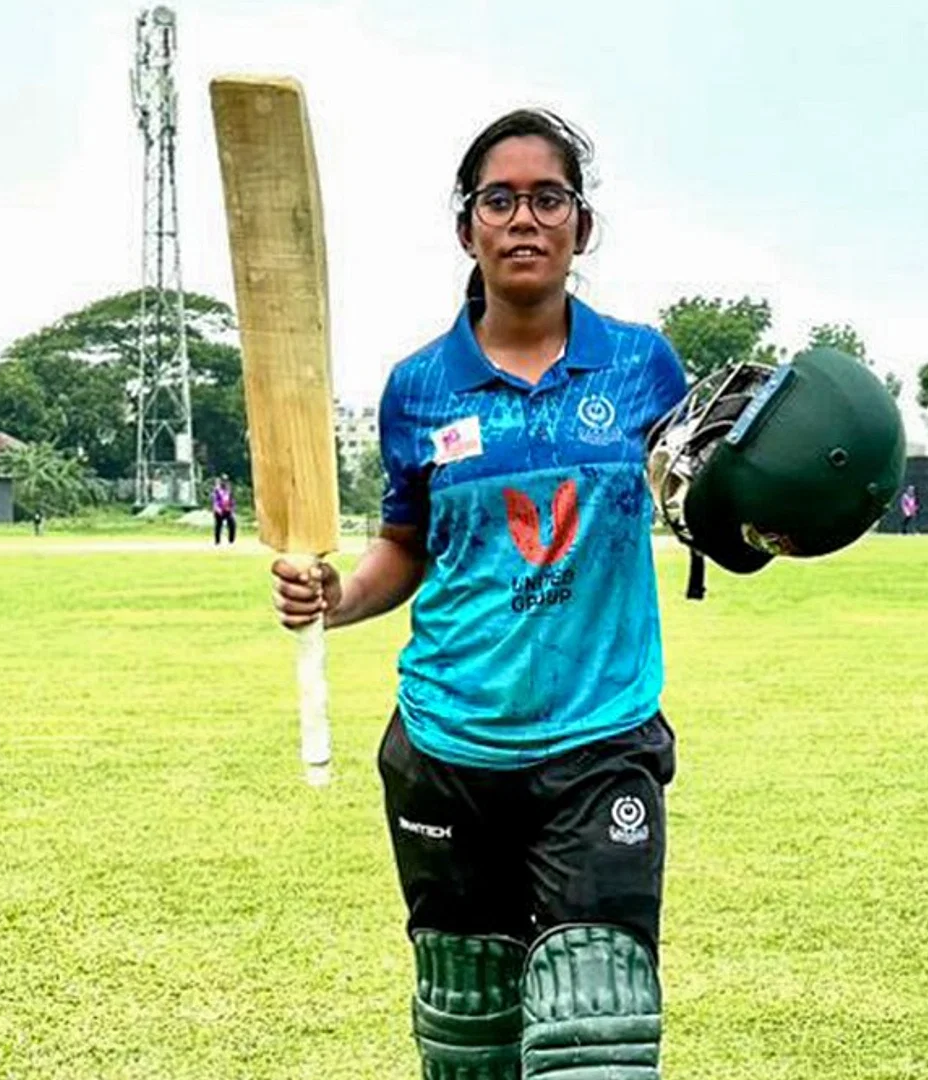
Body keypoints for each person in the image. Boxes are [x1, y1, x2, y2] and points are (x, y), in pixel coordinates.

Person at [270, 109, 689, 1078]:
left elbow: (704, 500)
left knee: (601, 1028)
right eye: (499, 200)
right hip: (447, 749)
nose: (524, 219)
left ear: (582, 225)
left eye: (548, 198)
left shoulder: (641, 367)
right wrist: (336, 596)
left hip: (599, 742)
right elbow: (404, 548)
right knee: (469, 1034)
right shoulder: (419, 388)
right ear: (467, 228)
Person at [211, 476, 236, 546]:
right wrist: (217, 509)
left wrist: (232, 509)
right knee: (218, 525)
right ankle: (217, 542)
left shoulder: (229, 490)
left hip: (227, 510)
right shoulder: (217, 490)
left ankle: (231, 541)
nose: (225, 483)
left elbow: (232, 501)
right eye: (223, 481)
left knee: (232, 524)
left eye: (226, 481)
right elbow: (215, 501)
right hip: (219, 510)